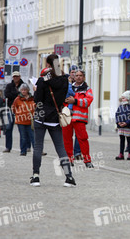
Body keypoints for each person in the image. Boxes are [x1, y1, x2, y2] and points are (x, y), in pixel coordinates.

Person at [31, 54, 75, 187]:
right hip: (55, 117)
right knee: (61, 148)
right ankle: (69, 177)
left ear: (48, 65)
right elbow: (64, 97)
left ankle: (36, 176)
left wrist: (36, 91)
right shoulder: (64, 80)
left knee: (38, 147)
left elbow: (37, 100)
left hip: (41, 116)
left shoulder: (42, 80)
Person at [63, 69, 94, 168]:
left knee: (83, 139)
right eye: (76, 75)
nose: (78, 77)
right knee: (67, 139)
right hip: (67, 117)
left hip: (79, 118)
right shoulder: (67, 87)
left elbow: (87, 101)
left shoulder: (87, 89)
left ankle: (87, 160)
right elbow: (61, 99)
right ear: (73, 77)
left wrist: (75, 101)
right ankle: (69, 159)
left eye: (80, 75)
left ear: (84, 77)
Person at [3, 71, 25, 152]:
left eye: (17, 76)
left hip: (21, 110)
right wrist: (17, 94)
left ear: (19, 76)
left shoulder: (23, 85)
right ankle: (8, 147)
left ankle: (25, 147)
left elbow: (24, 95)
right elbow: (7, 95)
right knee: (8, 128)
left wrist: (16, 95)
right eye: (14, 76)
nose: (15, 78)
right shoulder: (9, 85)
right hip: (11, 109)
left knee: (23, 129)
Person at [11, 84, 36, 156]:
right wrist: (19, 114)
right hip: (21, 121)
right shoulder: (17, 99)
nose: (23, 91)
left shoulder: (32, 98)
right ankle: (23, 151)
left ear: (28, 90)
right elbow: (13, 108)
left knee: (33, 136)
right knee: (23, 137)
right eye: (22, 90)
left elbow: (36, 107)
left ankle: (36, 150)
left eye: (25, 90)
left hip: (30, 121)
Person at [115, 90, 130, 160]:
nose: (122, 99)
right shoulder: (120, 106)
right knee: (122, 140)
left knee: (129, 140)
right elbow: (117, 114)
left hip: (128, 127)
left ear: (128, 98)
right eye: (122, 98)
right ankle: (121, 154)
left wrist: (126, 123)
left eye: (123, 98)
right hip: (121, 127)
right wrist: (118, 122)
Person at [67, 65, 82, 161]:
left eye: (75, 73)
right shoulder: (67, 83)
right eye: (72, 72)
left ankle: (77, 152)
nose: (74, 74)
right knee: (68, 134)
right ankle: (69, 154)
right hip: (67, 111)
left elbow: (79, 95)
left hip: (78, 111)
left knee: (79, 134)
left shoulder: (81, 85)